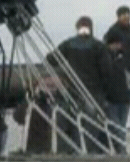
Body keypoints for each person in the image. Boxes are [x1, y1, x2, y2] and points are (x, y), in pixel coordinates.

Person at [47, 16, 113, 154]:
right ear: (91, 28)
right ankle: (87, 153)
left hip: (72, 91)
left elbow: (51, 59)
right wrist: (105, 90)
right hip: (92, 92)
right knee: (90, 126)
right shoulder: (98, 46)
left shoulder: (69, 44)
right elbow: (107, 71)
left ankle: (66, 152)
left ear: (77, 28)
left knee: (70, 121)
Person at [105, 30, 130, 154]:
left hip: (123, 98)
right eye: (115, 43)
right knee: (117, 127)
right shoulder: (105, 58)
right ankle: (122, 151)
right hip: (112, 98)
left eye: (119, 43)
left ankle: (121, 150)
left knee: (121, 127)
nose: (117, 46)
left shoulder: (123, 57)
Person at [103, 5, 130, 74]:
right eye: (124, 15)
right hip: (120, 69)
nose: (126, 17)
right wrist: (112, 47)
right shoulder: (113, 31)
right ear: (119, 17)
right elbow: (104, 47)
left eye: (128, 15)